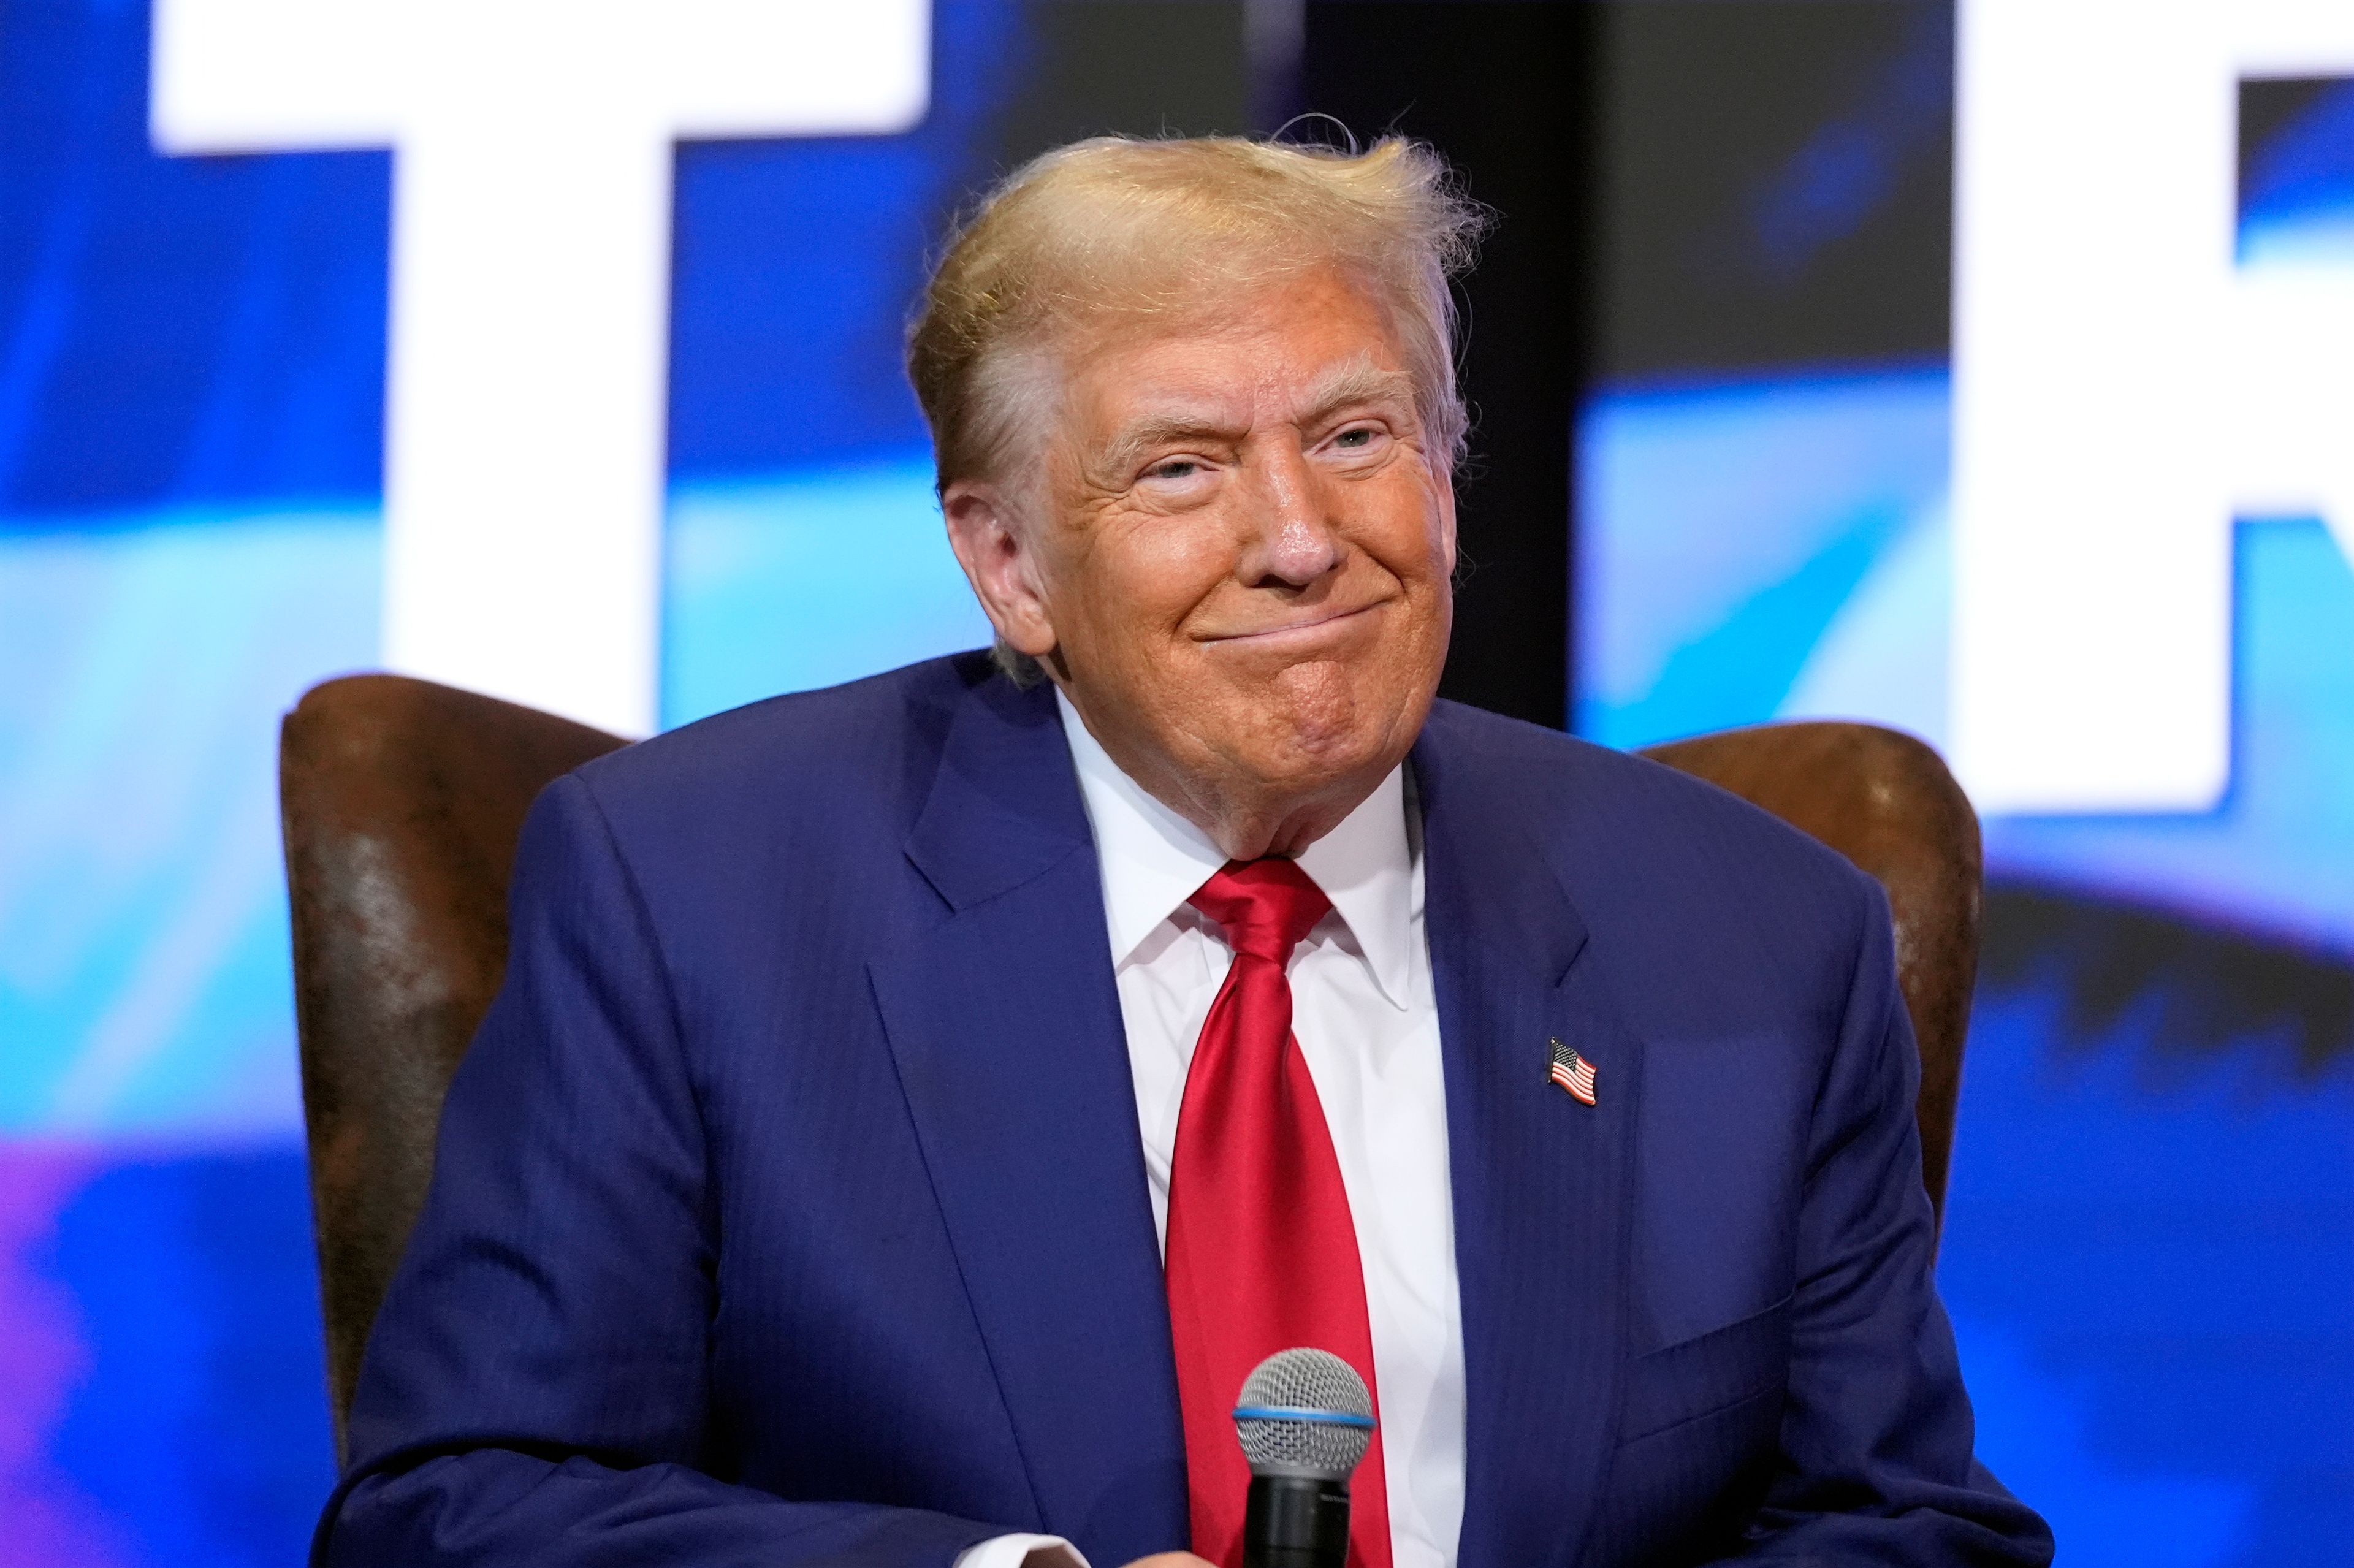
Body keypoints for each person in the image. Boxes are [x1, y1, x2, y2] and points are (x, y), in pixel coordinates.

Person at [316, 136, 2053, 1568]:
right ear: (1008, 566)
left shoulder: (1752, 931)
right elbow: (464, 1513)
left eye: (1359, 437)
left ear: (1446, 478)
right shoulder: (697, 897)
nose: (1301, 539)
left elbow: (1906, 1530)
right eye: (1181, 469)